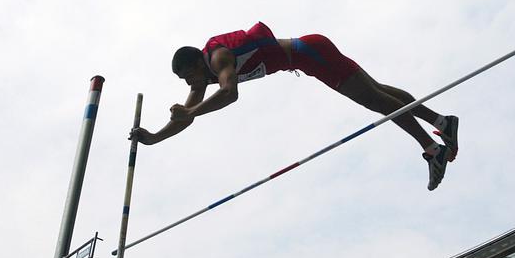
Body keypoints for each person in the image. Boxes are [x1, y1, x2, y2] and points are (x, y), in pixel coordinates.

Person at [130, 22, 460, 190]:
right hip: (311, 54)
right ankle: (442, 122)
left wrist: (191, 111)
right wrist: (154, 137)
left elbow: (230, 93)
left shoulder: (219, 58)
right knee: (378, 91)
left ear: (198, 64)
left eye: (190, 78)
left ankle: (432, 148)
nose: (192, 87)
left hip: (311, 53)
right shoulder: (203, 76)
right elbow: (187, 118)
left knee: (375, 100)